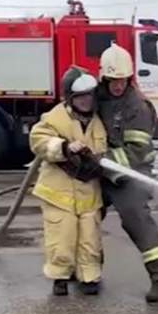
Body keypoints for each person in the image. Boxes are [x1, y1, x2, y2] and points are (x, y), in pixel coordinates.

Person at [97, 43, 158, 303]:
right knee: (85, 215)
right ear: (103, 77)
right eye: (113, 80)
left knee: (135, 218)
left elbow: (137, 151)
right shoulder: (96, 97)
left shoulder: (137, 106)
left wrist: (103, 161)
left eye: (123, 80)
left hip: (131, 172)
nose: (118, 85)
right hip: (101, 169)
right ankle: (87, 271)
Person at [30, 67, 107, 296]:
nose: (86, 100)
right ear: (70, 98)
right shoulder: (55, 117)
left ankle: (89, 277)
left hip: (89, 192)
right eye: (81, 96)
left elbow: (102, 149)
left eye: (89, 95)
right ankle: (60, 277)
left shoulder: (97, 120)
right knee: (62, 237)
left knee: (89, 238)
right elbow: (38, 139)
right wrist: (64, 147)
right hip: (58, 192)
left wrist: (98, 160)